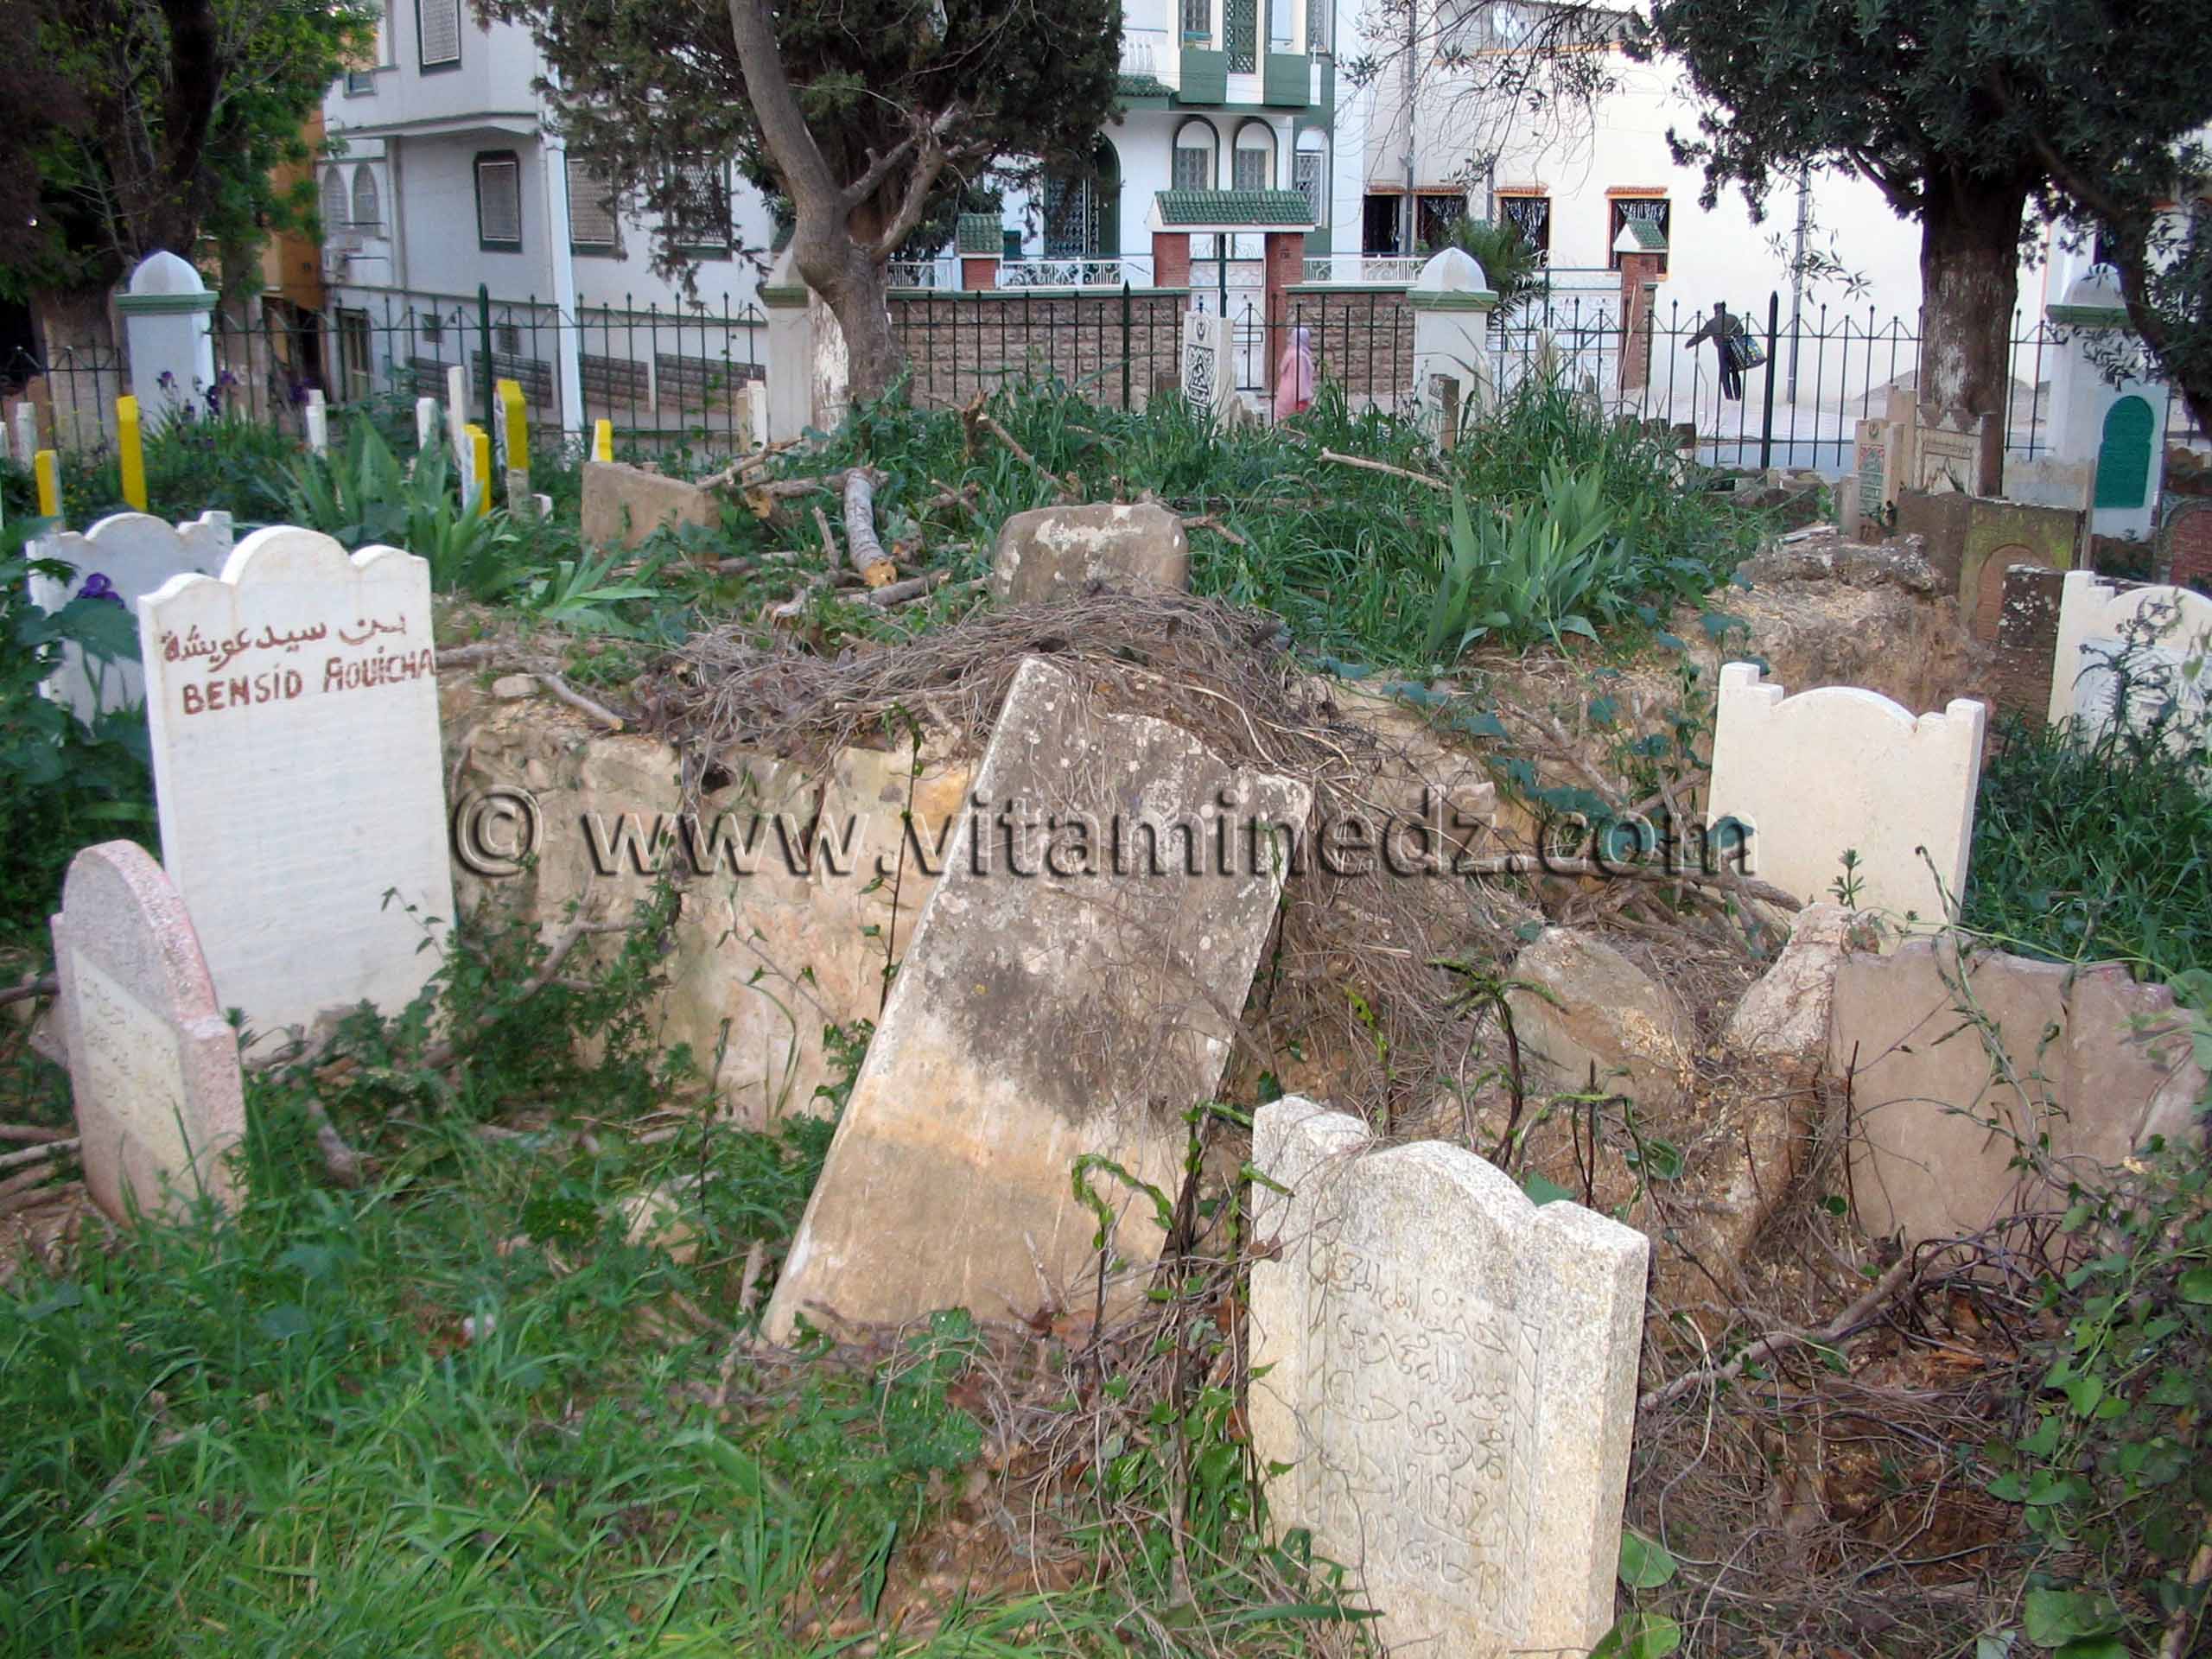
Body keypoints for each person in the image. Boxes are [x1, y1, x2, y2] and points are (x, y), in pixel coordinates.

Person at [1688, 302, 1748, 401]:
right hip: (1734, 346)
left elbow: (1701, 336)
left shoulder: (1712, 322)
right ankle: (1738, 396)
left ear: (1715, 310)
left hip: (1722, 347)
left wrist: (1689, 344)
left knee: (1724, 373)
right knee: (1735, 372)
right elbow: (1741, 330)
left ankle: (1729, 397)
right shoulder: (1733, 318)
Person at [1274, 325, 1315, 417]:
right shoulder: (1300, 356)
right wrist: (1302, 400)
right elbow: (1301, 380)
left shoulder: (1290, 353)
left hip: (1284, 395)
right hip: (1295, 398)